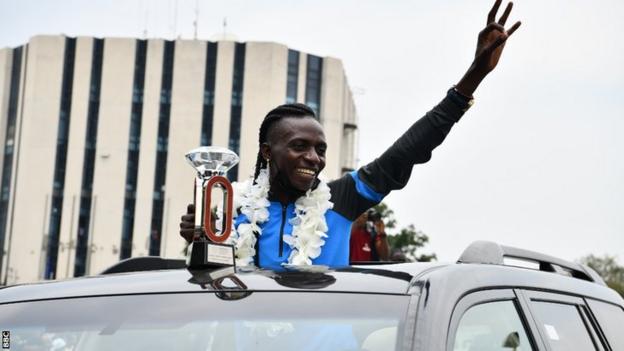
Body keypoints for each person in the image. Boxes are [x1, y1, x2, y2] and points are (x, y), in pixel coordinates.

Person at [181, 0, 521, 268]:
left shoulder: (342, 199)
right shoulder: (235, 208)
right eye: (300, 146)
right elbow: (218, 287)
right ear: (268, 152)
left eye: (320, 149)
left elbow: (407, 151)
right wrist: (201, 238)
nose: (314, 158)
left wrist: (472, 79)